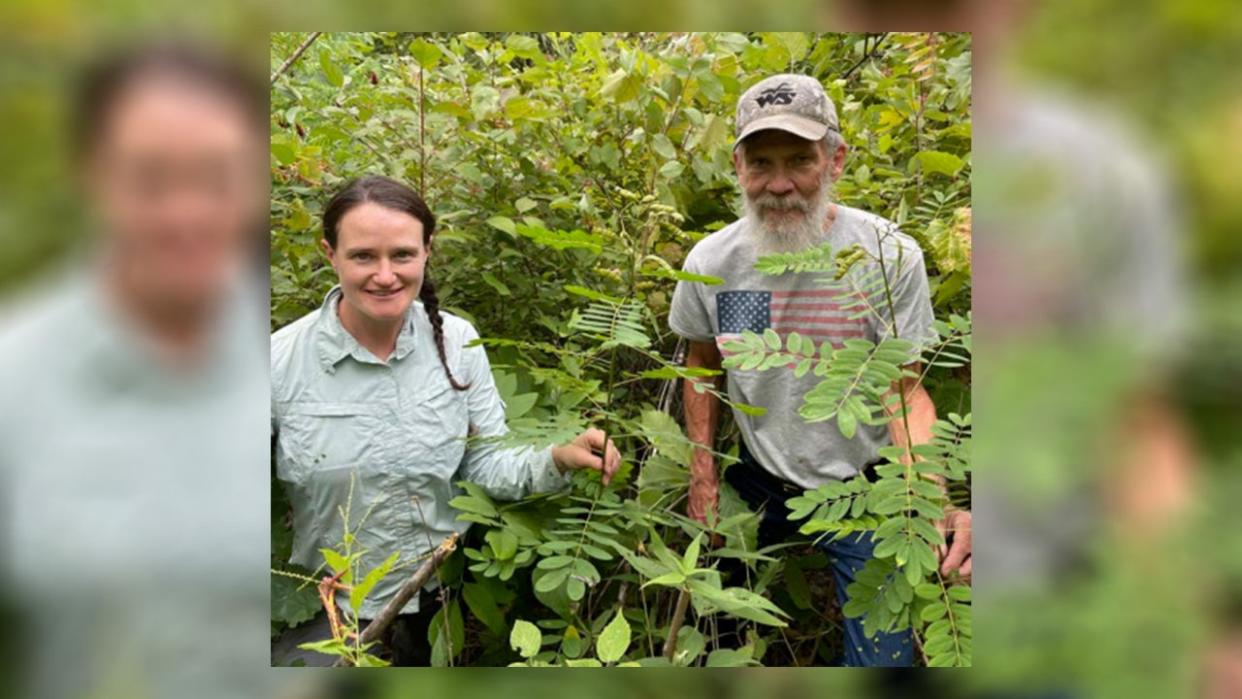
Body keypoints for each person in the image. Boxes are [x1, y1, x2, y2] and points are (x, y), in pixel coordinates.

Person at [668, 74, 972, 667]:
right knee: (716, 635)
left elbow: (904, 389)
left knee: (885, 661)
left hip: (864, 486)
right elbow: (701, 366)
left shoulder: (887, 256)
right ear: (737, 165)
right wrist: (702, 474)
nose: (779, 184)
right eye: (761, 162)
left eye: (799, 160)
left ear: (835, 158)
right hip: (756, 478)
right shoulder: (713, 263)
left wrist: (926, 501)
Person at [270, 174, 620, 666]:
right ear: (330, 253)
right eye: (363, 256)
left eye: (403, 255)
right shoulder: (278, 361)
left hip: (433, 602)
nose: (385, 274)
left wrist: (559, 459)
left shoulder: (457, 344)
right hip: (324, 607)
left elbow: (484, 463)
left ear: (428, 250)